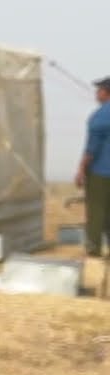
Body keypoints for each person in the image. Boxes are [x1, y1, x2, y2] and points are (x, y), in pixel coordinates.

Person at [76, 76, 110, 257]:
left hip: (101, 173)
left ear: (106, 92)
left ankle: (94, 250)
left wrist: (81, 169)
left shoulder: (100, 116)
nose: (96, 94)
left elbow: (92, 149)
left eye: (99, 90)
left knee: (97, 212)